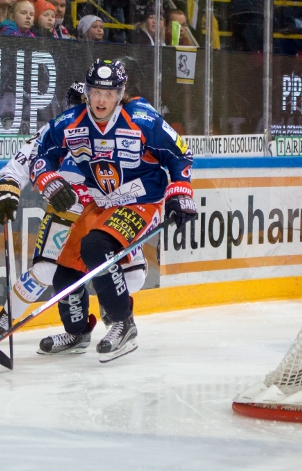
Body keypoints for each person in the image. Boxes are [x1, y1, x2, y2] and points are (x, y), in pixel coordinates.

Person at [29, 59, 196, 362]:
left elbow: (179, 154)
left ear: (120, 93)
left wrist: (180, 191)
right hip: (101, 203)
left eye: (109, 93)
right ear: (87, 91)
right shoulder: (71, 122)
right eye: (96, 92)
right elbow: (40, 154)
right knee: (66, 271)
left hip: (140, 201)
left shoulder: (142, 119)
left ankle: (122, 322)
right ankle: (77, 331)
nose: (101, 99)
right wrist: (48, 180)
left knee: (96, 247)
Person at [0, 83, 150, 335]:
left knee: (134, 276)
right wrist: (7, 190)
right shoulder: (56, 130)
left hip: (108, 211)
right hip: (68, 211)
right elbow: (18, 165)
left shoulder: (121, 127)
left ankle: (116, 314)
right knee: (48, 271)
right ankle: (12, 316)